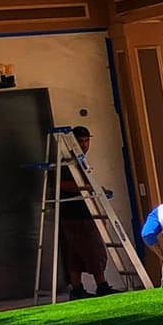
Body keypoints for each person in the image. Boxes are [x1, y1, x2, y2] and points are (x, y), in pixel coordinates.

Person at [57, 126, 116, 299]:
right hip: (76, 214)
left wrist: (98, 190)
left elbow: (88, 184)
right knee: (94, 249)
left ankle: (77, 289)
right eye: (80, 141)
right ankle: (102, 285)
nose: (84, 145)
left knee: (76, 252)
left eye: (86, 140)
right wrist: (86, 188)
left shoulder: (82, 163)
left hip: (85, 211)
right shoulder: (66, 163)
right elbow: (60, 184)